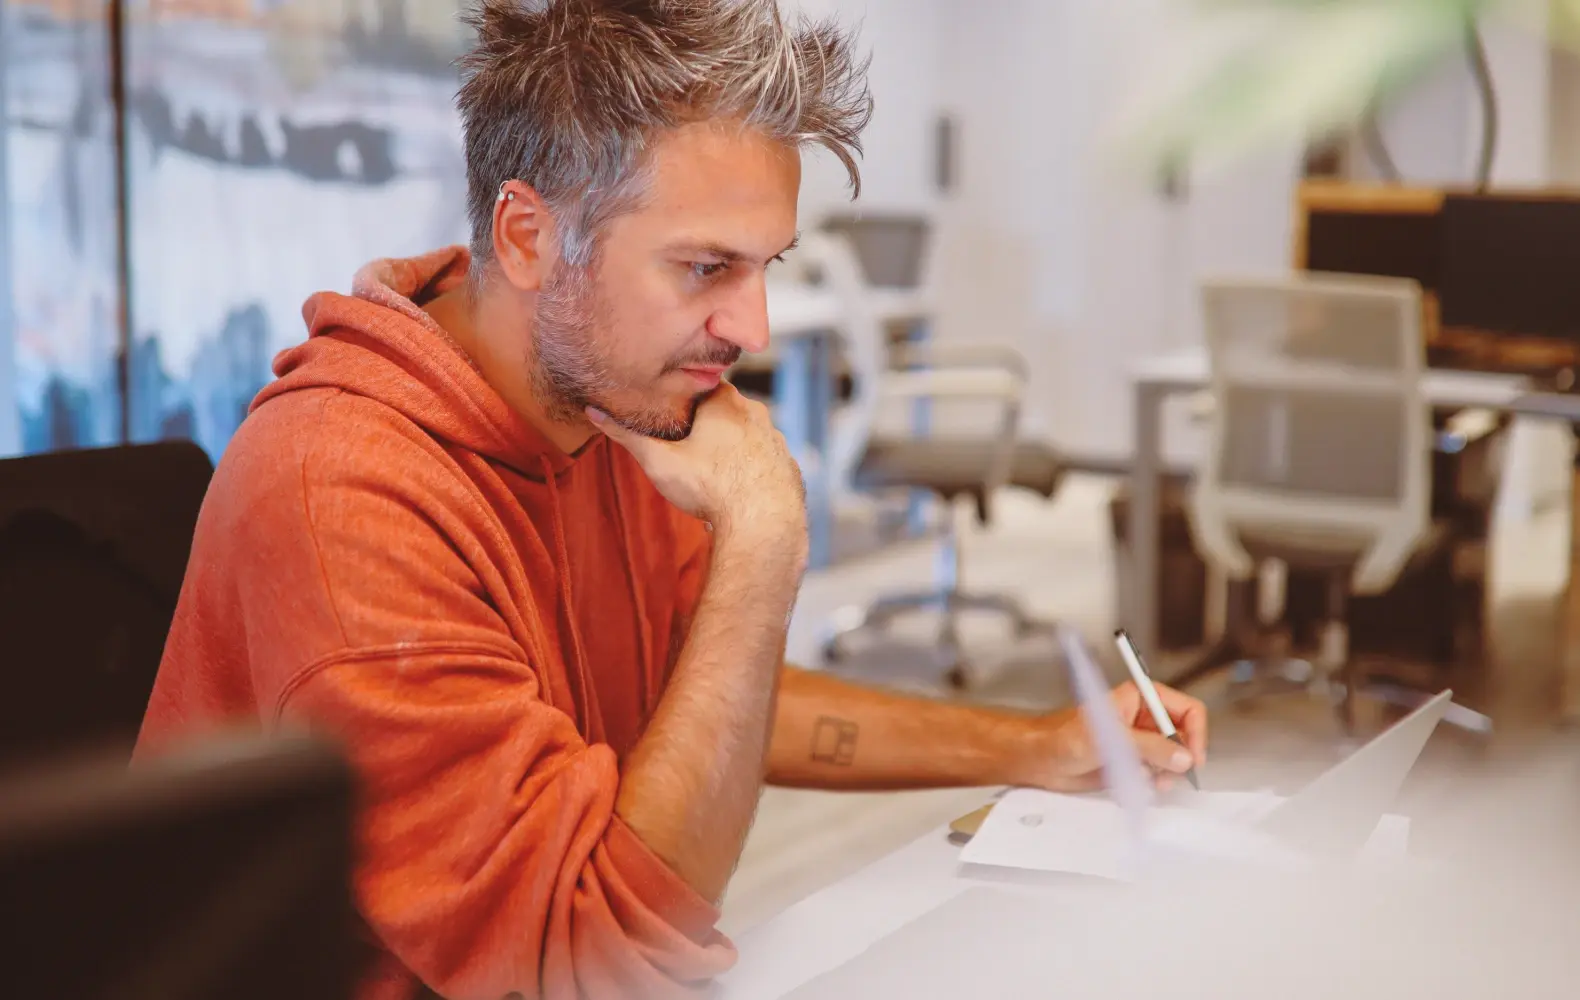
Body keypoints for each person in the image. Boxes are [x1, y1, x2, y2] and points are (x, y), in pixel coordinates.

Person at [135, 1, 1209, 998]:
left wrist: (1034, 746)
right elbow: (588, 951)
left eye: (764, 267)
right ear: (525, 237)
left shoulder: (609, 404)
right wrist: (763, 536)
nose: (755, 332)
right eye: (703, 268)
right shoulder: (346, 495)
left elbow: (705, 698)